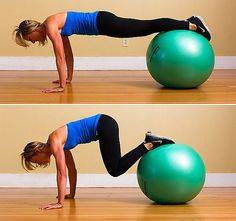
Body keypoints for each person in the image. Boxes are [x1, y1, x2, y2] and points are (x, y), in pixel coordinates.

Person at [13, 11, 211, 93]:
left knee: (147, 27)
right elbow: (69, 54)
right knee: (146, 27)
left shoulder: (50, 26)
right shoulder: (53, 25)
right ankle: (189, 23)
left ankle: (191, 25)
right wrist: (68, 79)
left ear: (32, 30)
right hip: (103, 22)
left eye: (30, 39)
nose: (34, 42)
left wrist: (62, 87)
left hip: (103, 23)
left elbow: (60, 57)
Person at [21, 114, 175, 210]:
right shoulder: (58, 143)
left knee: (115, 170)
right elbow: (72, 170)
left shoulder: (55, 143)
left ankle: (147, 144)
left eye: (35, 161)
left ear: (37, 151)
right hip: (104, 125)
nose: (39, 164)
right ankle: (147, 143)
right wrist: (71, 195)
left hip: (104, 125)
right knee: (115, 168)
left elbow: (62, 174)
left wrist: (59, 203)